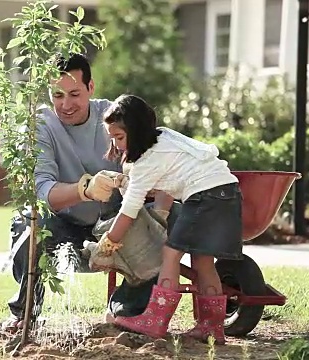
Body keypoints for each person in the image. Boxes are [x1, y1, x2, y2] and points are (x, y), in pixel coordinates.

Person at [1, 53, 176, 332]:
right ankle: (26, 312)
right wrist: (85, 190)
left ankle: (126, 312)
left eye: (74, 94)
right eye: (57, 95)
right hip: (65, 227)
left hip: (119, 225)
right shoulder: (40, 125)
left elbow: (157, 164)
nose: (66, 105)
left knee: (171, 217)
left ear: (91, 88)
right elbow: (42, 190)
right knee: (28, 219)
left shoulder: (115, 116)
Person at [95, 94, 242, 344]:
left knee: (171, 254)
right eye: (112, 138)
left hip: (204, 195)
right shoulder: (163, 136)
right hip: (228, 191)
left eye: (119, 137)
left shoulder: (147, 161)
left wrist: (107, 245)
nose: (117, 144)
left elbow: (129, 210)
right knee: (203, 261)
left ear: (137, 131)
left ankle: (155, 321)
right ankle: (212, 328)